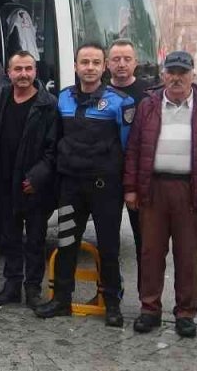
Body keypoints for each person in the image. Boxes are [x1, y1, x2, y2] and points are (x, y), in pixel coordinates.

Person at [123, 51, 197, 338]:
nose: (177, 78)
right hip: (153, 188)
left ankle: (186, 313)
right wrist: (130, 187)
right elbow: (134, 149)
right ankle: (149, 309)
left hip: (191, 189)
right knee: (151, 252)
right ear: (163, 75)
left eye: (183, 72)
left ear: (192, 74)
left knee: (187, 254)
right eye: (172, 72)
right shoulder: (148, 106)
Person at [35, 43, 134, 328]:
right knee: (67, 243)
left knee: (109, 248)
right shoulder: (63, 99)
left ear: (104, 67)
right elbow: (55, 140)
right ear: (76, 66)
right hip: (71, 187)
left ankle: (112, 304)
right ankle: (61, 300)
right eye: (84, 62)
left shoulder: (120, 102)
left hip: (105, 189)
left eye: (95, 63)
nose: (89, 68)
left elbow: (128, 147)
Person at [0, 52, 58, 308]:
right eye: (18, 69)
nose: (24, 74)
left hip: (34, 187)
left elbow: (54, 149)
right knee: (10, 239)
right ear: (9, 72)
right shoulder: (1, 97)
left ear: (35, 72)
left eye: (28, 68)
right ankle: (12, 285)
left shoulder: (48, 104)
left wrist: (37, 177)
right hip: (5, 183)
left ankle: (33, 289)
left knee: (36, 240)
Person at [106, 39, 148, 259]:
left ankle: (147, 293)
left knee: (144, 241)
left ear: (135, 63)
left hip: (139, 176)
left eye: (127, 59)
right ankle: (110, 291)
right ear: (107, 63)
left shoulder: (150, 95)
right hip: (108, 175)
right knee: (108, 238)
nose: (121, 64)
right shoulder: (99, 93)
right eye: (116, 59)